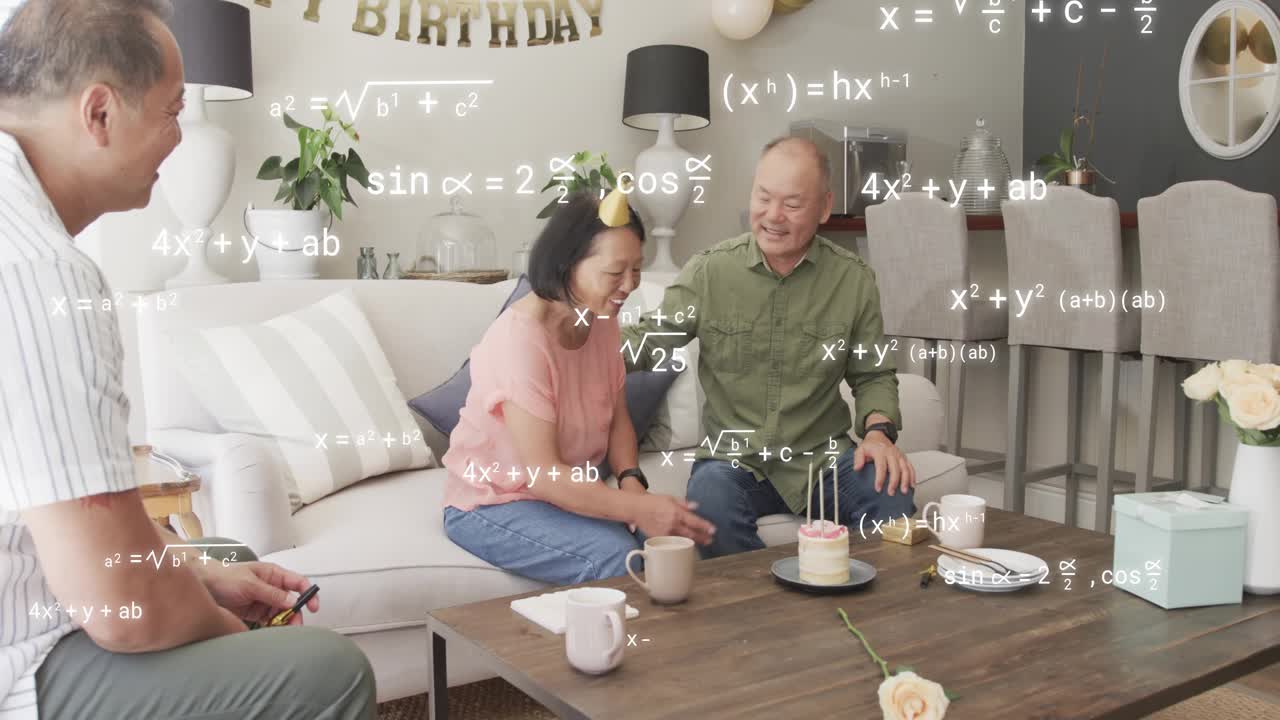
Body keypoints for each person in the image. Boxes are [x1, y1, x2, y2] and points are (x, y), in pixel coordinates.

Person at [0, 1, 376, 718]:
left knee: (221, 555)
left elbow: (65, 520)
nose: (177, 138)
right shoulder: (39, 273)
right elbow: (121, 608)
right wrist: (234, 636)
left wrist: (196, 570)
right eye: (173, 111)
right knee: (322, 669)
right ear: (100, 114)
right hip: (22, 666)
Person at [622, 136, 918, 559]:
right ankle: (775, 607)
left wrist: (878, 433)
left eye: (793, 204)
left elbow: (873, 374)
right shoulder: (711, 271)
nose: (772, 216)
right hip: (732, 460)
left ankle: (854, 599)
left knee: (892, 494)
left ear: (824, 206)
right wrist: (570, 347)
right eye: (764, 197)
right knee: (709, 507)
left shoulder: (853, 281)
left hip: (824, 458)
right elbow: (649, 340)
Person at [442, 190, 716, 585]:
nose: (629, 285)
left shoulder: (600, 317)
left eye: (636, 269)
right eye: (614, 271)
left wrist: (633, 485)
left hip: (561, 491)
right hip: (492, 504)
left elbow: (618, 418)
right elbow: (545, 476)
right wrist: (635, 511)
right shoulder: (520, 340)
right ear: (567, 263)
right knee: (620, 561)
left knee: (677, 548)